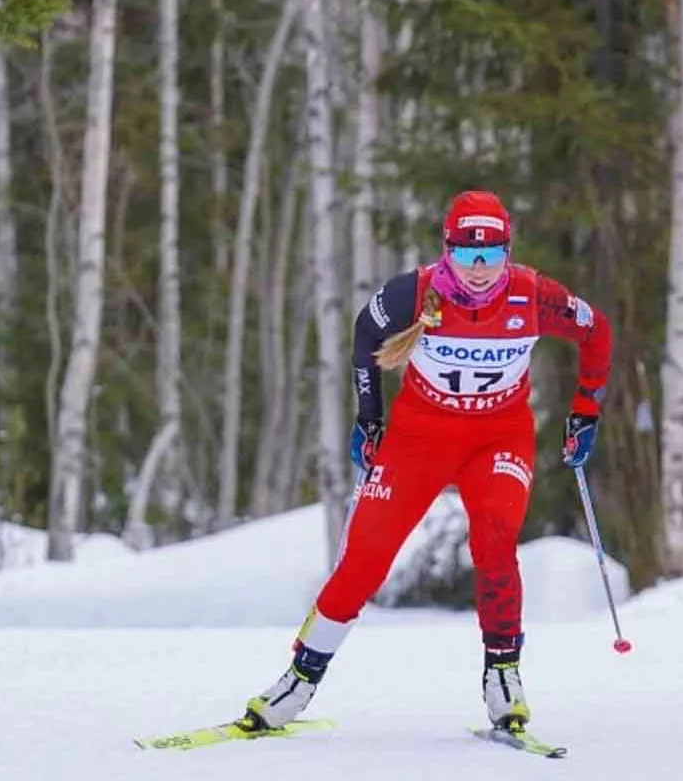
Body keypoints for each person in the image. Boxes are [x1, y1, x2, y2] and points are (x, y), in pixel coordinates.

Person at [237, 189, 614, 735]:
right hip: (420, 437)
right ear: (447, 250)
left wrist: (584, 412)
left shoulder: (534, 295)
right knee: (365, 558)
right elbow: (366, 335)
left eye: (491, 254)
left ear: (508, 251)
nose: (479, 268)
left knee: (495, 539)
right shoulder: (413, 293)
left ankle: (503, 674)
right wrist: (369, 419)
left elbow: (596, 331)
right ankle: (299, 678)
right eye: (466, 253)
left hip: (498, 438)